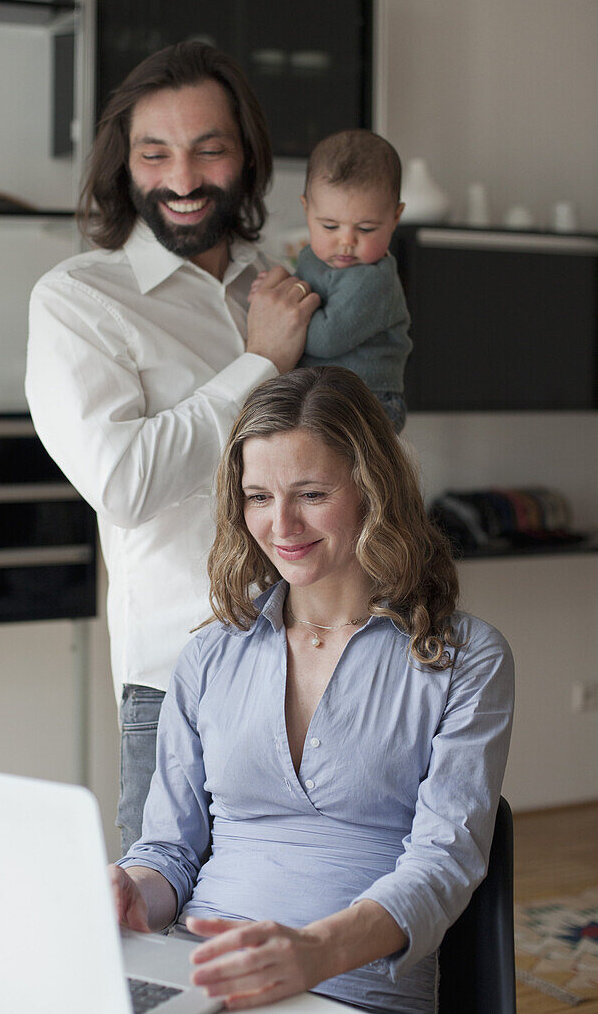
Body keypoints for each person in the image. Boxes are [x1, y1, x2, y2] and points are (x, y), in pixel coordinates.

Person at [110, 366, 514, 1014]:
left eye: (310, 493)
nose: (282, 524)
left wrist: (314, 951)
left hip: (349, 987)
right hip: (201, 977)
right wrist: (133, 891)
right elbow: (168, 853)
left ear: (371, 489)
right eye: (259, 497)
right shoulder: (209, 655)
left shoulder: (464, 658)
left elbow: (444, 863)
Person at [25, 42, 319, 853]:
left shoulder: (286, 285)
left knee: (322, 925)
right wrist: (259, 364)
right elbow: (124, 482)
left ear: (247, 158)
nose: (182, 179)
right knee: (167, 938)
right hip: (181, 683)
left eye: (208, 149)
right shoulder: (80, 300)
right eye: (155, 154)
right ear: (125, 166)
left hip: (329, 666)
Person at [256, 129, 412, 433]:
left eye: (365, 229)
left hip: (371, 400)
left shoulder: (373, 280)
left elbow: (324, 340)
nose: (346, 242)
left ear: (395, 217)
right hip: (329, 393)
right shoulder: (310, 257)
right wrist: (281, 287)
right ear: (307, 210)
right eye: (329, 226)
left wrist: (279, 308)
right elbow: (308, 288)